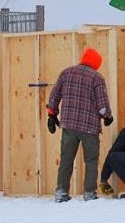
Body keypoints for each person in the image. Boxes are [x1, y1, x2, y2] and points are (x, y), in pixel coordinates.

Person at [46, 48, 114, 202]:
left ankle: (61, 192)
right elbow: (102, 105)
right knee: (90, 161)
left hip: (68, 126)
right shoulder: (97, 78)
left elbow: (54, 96)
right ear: (96, 63)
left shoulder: (66, 73)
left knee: (66, 159)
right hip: (89, 127)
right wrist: (107, 117)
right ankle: (89, 193)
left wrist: (52, 114)